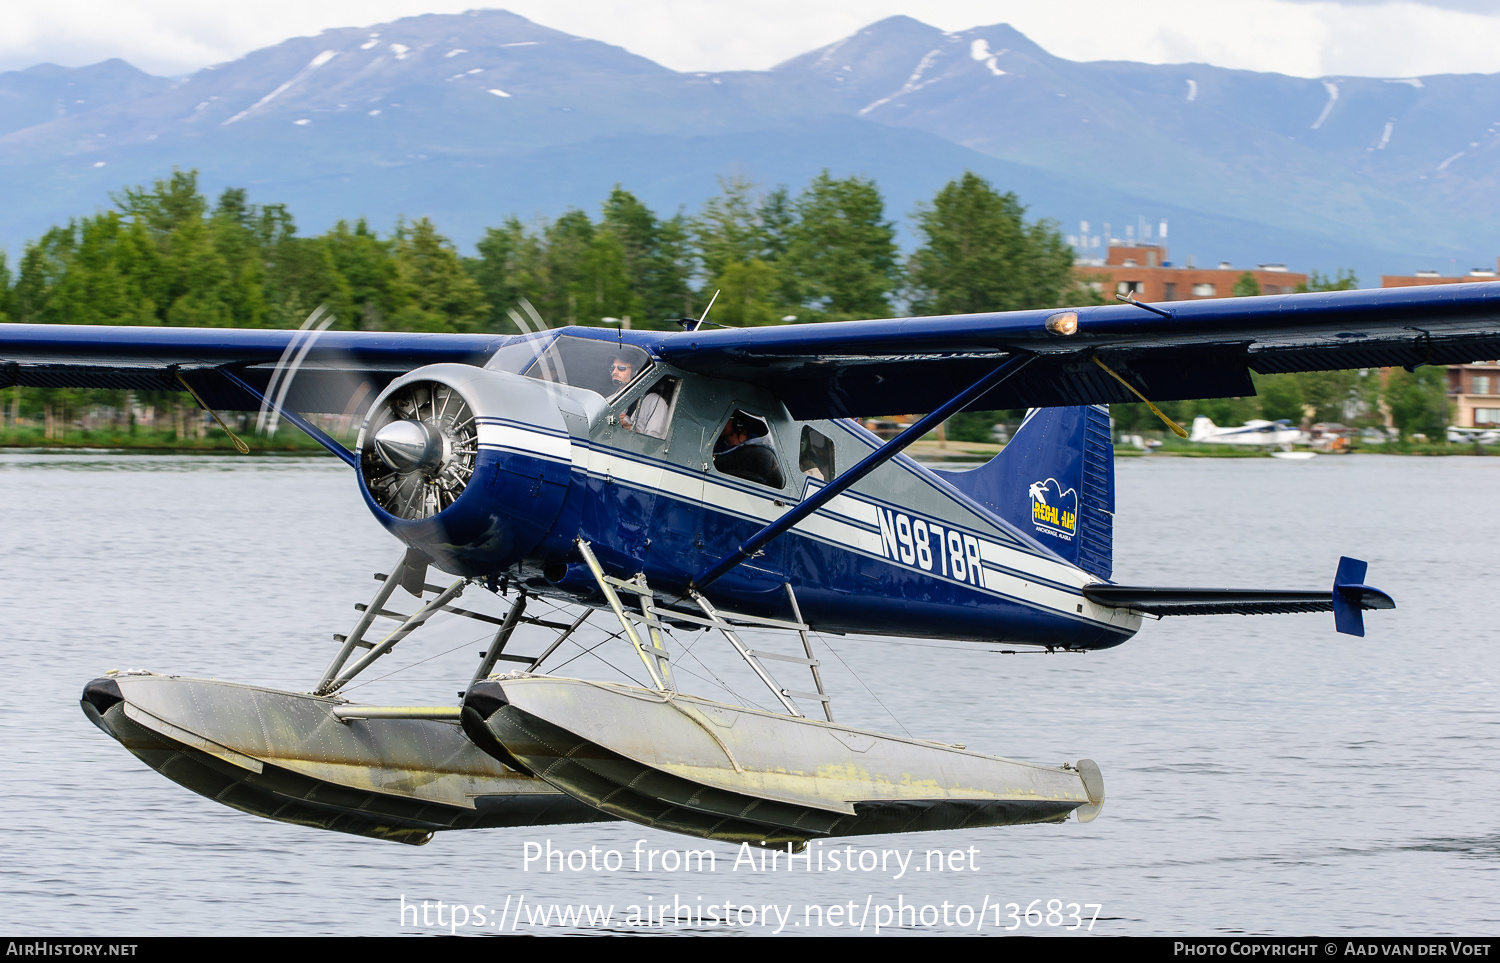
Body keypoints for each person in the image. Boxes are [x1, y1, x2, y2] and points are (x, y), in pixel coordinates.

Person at [713, 412, 783, 488]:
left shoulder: (757, 453)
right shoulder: (719, 447)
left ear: (738, 424)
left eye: (726, 417)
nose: (720, 420)